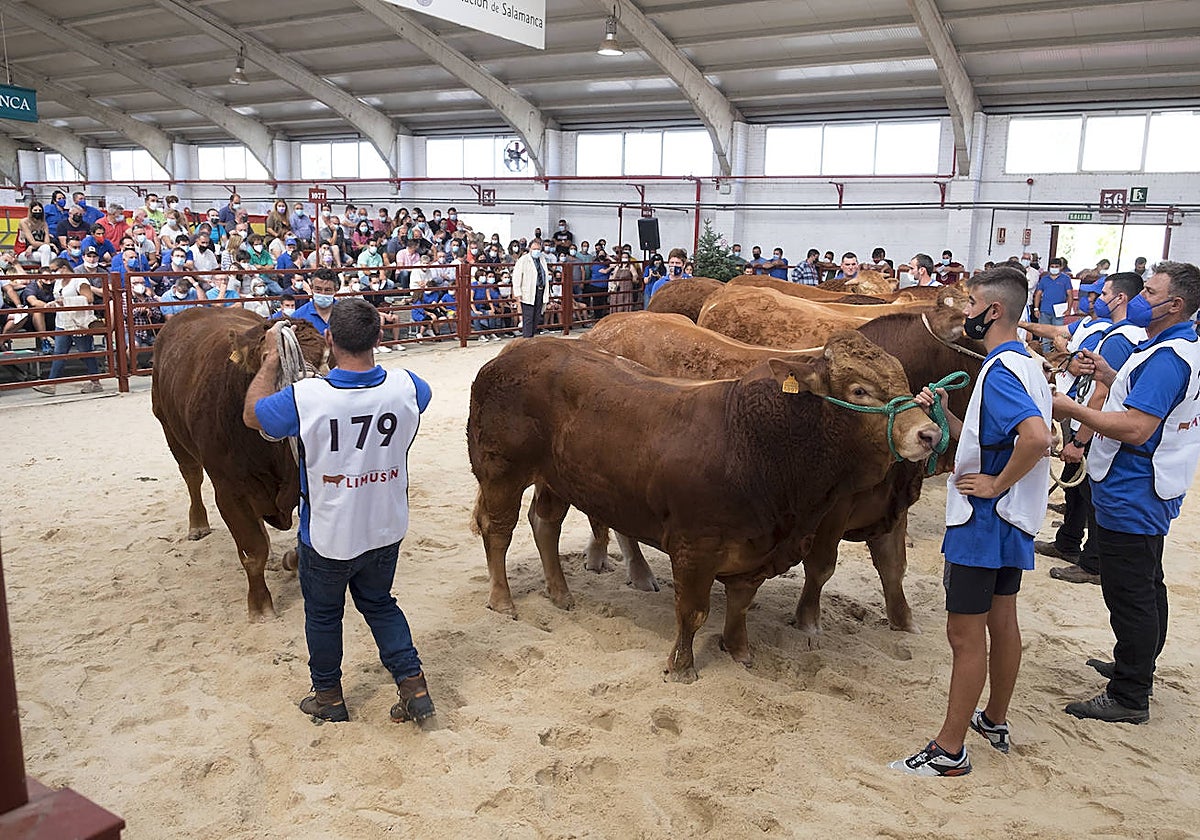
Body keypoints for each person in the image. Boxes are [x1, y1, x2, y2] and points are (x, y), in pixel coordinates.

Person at [891, 266, 1052, 776]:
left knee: (964, 636)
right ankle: (994, 720)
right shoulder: (1026, 363)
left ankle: (949, 751)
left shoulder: (999, 371)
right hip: (1012, 519)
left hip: (984, 521)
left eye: (971, 304)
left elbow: (1035, 438)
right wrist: (944, 413)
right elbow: (988, 438)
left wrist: (994, 484)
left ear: (994, 310)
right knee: (1002, 621)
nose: (966, 313)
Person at [243, 299, 436, 726]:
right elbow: (421, 395)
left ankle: (329, 696)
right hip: (385, 525)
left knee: (324, 614)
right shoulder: (408, 385)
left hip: (329, 533)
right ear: (379, 337)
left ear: (329, 338)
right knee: (380, 604)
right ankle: (415, 687)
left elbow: (253, 414)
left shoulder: (307, 397)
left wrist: (271, 360)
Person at [1052, 261, 1200, 724]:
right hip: (1150, 481)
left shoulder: (1167, 359)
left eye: (1150, 292)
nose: (1139, 299)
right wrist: (1110, 374)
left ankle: (1129, 695)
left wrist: (1073, 408)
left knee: (1129, 593)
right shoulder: (1177, 347)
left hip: (1134, 485)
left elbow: (1137, 427)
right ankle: (1137, 665)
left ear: (1174, 305)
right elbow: (1146, 398)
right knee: (1147, 582)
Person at [1035, 273, 1146, 584]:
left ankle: (1093, 562)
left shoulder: (1119, 338)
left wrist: (1080, 440)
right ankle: (1068, 541)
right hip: (1093, 421)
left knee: (1090, 491)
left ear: (1120, 298)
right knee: (1077, 488)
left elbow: (1101, 393)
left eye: (1104, 295)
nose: (1097, 301)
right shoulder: (1126, 334)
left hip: (1096, 426)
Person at [31, 261, 107, 396]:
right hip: (62, 321)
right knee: (59, 353)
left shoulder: (80, 281)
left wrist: (66, 301)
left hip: (78, 322)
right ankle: (51, 384)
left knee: (86, 352)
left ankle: (95, 382)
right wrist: (54, 304)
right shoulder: (58, 282)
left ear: (64, 268)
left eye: (54, 270)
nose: (53, 273)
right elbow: (59, 299)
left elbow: (89, 298)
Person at [513, 238, 551, 338]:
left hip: (540, 290)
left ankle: (531, 336)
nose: (536, 251)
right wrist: (518, 293)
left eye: (538, 249)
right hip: (528, 292)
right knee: (528, 317)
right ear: (529, 249)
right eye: (534, 249)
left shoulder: (542, 259)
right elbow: (517, 277)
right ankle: (527, 338)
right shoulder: (523, 260)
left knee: (537, 316)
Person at [1033, 258, 1073, 352]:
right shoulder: (1044, 279)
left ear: (1061, 267)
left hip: (1059, 312)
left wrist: (1068, 309)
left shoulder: (1065, 279)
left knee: (1058, 335)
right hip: (1045, 311)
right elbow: (1038, 294)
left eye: (1056, 266)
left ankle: (1056, 354)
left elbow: (1070, 295)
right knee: (1044, 334)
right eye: (1052, 266)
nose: (1054, 268)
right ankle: (1046, 354)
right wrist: (1036, 309)